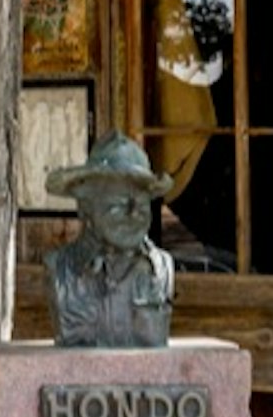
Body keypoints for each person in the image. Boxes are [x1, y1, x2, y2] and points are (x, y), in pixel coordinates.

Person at [44, 133, 178, 347]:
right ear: (86, 207)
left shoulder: (161, 268)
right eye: (119, 203)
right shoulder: (61, 268)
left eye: (142, 203)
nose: (134, 213)